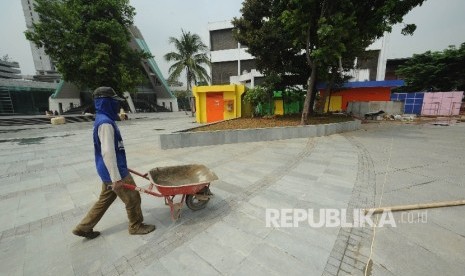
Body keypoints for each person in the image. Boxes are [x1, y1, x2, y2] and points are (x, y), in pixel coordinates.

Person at [72, 87, 155, 239]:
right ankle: (135, 226)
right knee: (133, 198)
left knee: (105, 200)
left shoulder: (103, 119)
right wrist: (116, 178)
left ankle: (84, 227)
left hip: (107, 170)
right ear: (106, 103)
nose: (117, 106)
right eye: (113, 102)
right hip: (115, 172)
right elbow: (108, 152)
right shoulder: (105, 124)